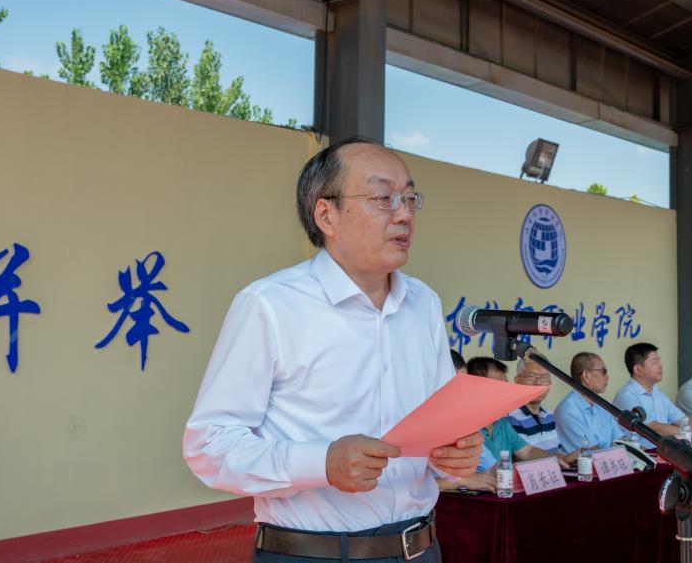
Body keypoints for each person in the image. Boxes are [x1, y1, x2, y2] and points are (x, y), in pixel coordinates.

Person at [184, 137, 482, 563]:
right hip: (314, 553)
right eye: (383, 198)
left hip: (420, 548)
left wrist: (454, 453)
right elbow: (209, 445)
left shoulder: (424, 303)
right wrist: (321, 462)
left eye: (410, 198)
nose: (404, 214)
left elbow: (438, 426)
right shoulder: (270, 304)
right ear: (326, 214)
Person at [467, 358, 571, 468]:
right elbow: (491, 471)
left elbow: (527, 451)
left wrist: (557, 458)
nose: (506, 392)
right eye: (499, 387)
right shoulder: (467, 428)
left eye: (506, 386)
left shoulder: (501, 421)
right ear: (477, 389)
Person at [612, 343, 692, 448]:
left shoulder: (658, 393)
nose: (660, 365)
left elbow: (684, 421)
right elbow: (653, 427)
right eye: (655, 362)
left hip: (664, 451)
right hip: (642, 455)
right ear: (638, 369)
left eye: (659, 361)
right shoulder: (626, 396)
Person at [555, 352, 623, 451]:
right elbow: (591, 451)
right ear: (586, 375)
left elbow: (621, 440)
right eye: (603, 371)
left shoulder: (601, 405)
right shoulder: (568, 409)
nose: (607, 377)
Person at [507, 359, 561, 453]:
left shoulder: (549, 416)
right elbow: (522, 457)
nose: (538, 383)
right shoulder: (510, 417)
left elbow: (557, 453)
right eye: (531, 376)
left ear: (550, 384)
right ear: (517, 380)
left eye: (544, 377)